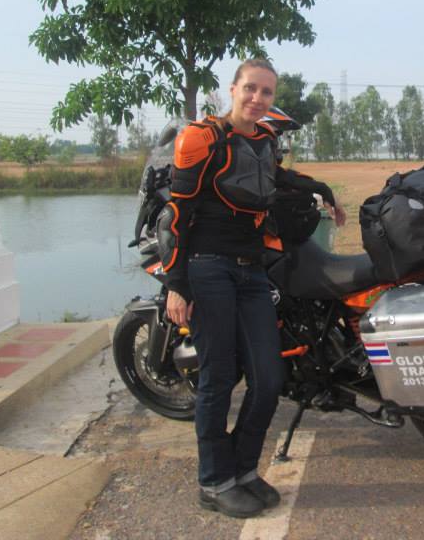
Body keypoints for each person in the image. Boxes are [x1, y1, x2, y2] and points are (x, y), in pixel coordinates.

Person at [158, 57, 346, 519]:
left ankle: (242, 470)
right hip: (207, 269)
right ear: (233, 89)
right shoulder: (202, 138)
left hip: (251, 271)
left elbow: (277, 179)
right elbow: (177, 213)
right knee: (219, 377)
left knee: (269, 377)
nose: (258, 99)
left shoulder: (264, 139)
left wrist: (324, 190)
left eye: (266, 92)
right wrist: (176, 285)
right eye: (250, 89)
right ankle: (213, 481)